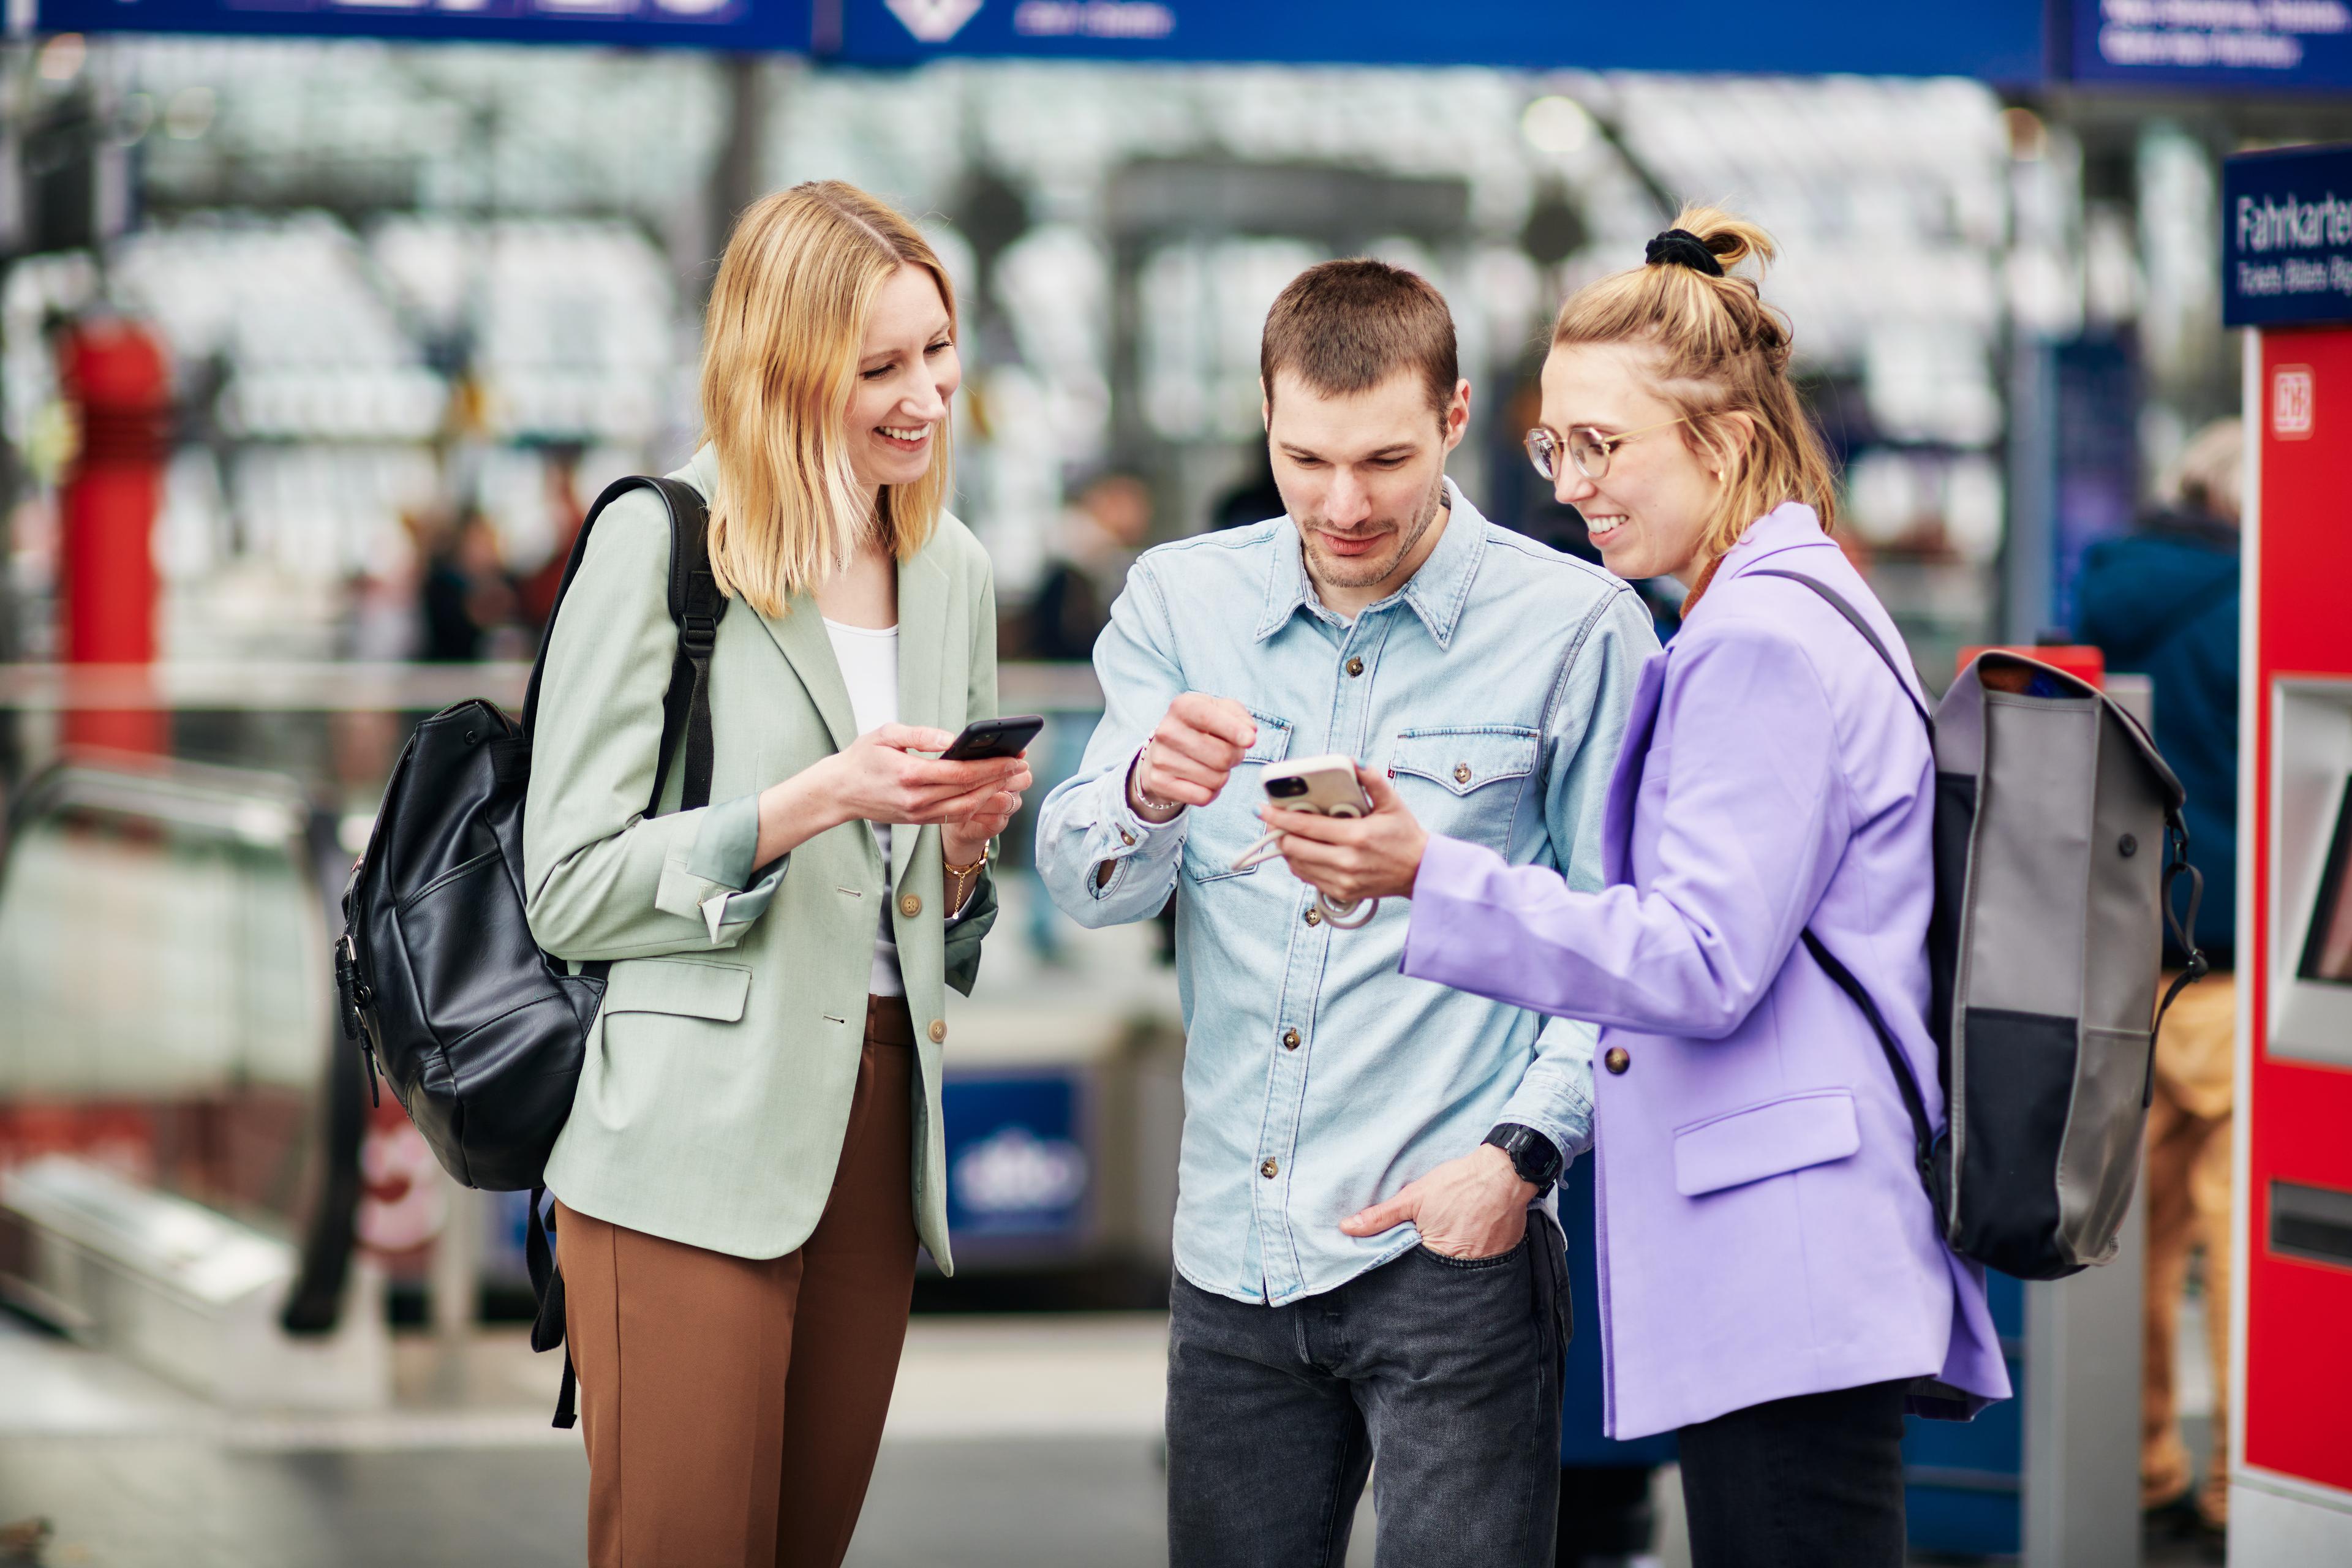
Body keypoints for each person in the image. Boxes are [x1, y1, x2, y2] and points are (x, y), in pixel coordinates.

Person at [1267, 211, 2011, 1568]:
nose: (1571, 485)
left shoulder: (1760, 643)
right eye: (1556, 446)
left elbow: (1699, 959)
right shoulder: (1787, 606)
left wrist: (1433, 873)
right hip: (1797, 1246)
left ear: (1721, 443)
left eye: (1603, 447)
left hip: (1784, 1257)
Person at [1036, 258, 1659, 1568]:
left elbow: (1625, 938)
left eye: (1382, 457)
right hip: (1232, 1252)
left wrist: (1518, 1159)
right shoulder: (1179, 600)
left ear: (1454, 419)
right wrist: (1148, 791)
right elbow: (1087, 885)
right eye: (1303, 457)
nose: (1342, 501)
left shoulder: (1579, 627)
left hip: (1454, 1243)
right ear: (1265, 421)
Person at [522, 179, 1030, 1568]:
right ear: (784, 366)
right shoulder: (667, 541)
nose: (924, 395)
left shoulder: (954, 568)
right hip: (690, 1131)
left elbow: (940, 925)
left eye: (937, 350)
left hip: (877, 1120)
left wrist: (967, 844)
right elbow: (564, 880)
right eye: (879, 366)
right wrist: (812, 801)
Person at [2076, 417, 2241, 1554]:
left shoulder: (2103, 593)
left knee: (2137, 1227)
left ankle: (2138, 1462)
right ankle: (2248, 1475)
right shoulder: (2265, 604)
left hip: (2129, 956)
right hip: (2236, 961)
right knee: (2244, 1236)